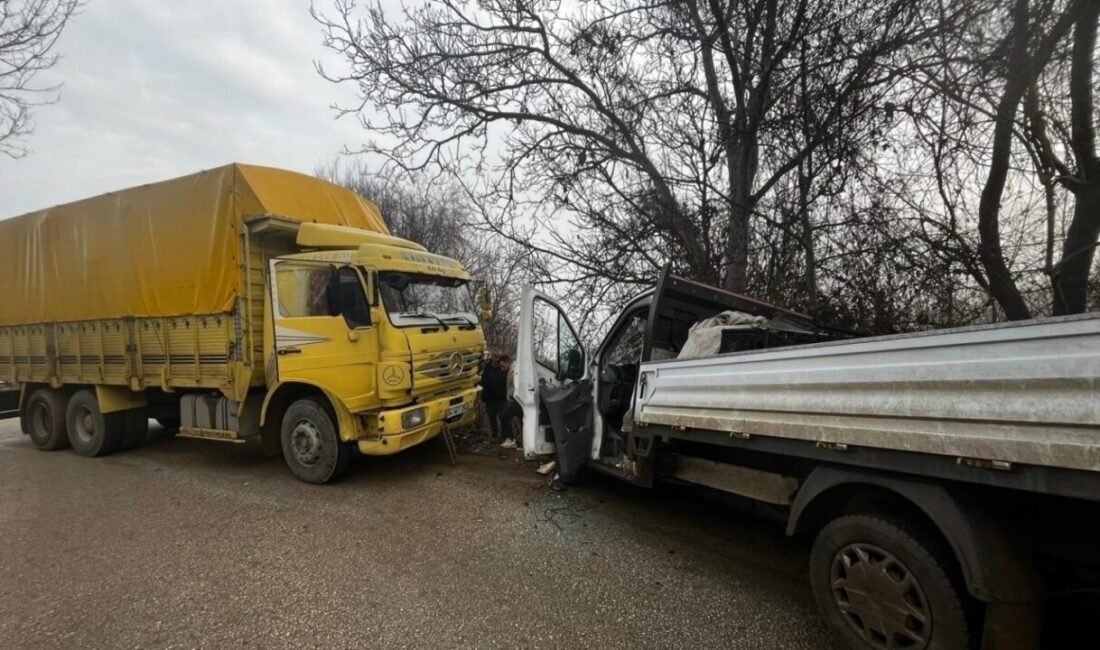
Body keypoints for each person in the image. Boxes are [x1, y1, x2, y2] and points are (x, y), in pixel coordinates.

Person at [479, 353, 507, 440]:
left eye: (498, 357)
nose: (497, 359)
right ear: (492, 356)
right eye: (495, 356)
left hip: (501, 398)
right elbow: (482, 381)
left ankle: (504, 436)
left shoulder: (503, 368)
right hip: (490, 398)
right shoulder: (486, 367)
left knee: (503, 417)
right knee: (492, 418)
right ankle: (494, 434)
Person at [498, 355, 524, 449]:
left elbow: (517, 384)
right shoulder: (512, 369)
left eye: (502, 365)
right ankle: (522, 442)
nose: (502, 368)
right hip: (517, 400)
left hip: (516, 400)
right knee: (522, 421)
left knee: (504, 416)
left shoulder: (514, 370)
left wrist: (512, 395)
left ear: (507, 361)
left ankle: (511, 439)